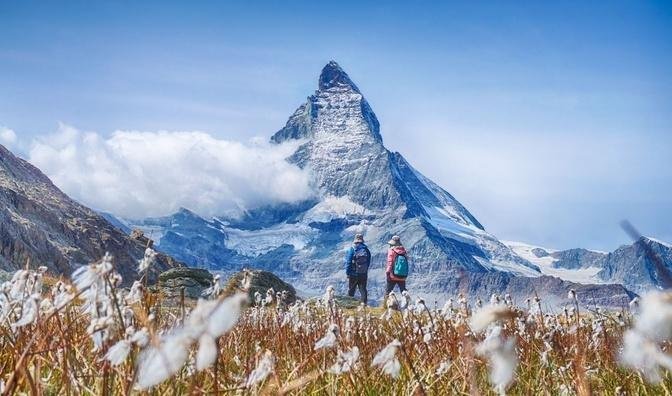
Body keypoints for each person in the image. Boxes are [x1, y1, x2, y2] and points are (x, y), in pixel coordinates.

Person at [344, 233, 371, 304]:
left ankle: (349, 304)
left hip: (353, 273)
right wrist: (365, 270)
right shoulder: (366, 249)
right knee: (363, 289)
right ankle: (364, 304)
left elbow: (349, 261)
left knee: (351, 290)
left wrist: (348, 272)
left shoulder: (352, 249)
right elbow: (368, 261)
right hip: (363, 273)